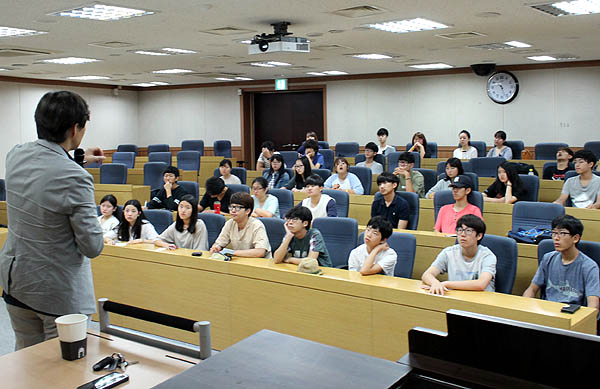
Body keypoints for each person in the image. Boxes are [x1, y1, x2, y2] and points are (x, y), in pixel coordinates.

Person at [0, 90, 104, 350]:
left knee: (25, 364)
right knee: (61, 371)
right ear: (75, 129)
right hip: (56, 292)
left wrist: (79, 157)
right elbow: (92, 246)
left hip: (16, 281)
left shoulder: (15, 155)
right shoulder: (76, 178)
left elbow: (46, 168)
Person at [523, 215, 600, 309]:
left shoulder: (589, 266)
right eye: (554, 233)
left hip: (573, 314)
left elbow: (593, 305)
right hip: (547, 311)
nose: (556, 238)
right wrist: (525, 307)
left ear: (575, 238)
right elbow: (531, 289)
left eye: (562, 233)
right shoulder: (548, 258)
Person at [421, 214, 496, 295]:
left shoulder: (487, 256)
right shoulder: (449, 252)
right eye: (460, 230)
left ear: (479, 236)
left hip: (482, 300)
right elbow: (427, 274)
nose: (463, 234)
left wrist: (445, 284)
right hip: (456, 297)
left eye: (468, 231)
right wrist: (435, 283)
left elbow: (481, 284)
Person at [210, 192, 272, 258]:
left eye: (237, 208)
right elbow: (219, 243)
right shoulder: (230, 223)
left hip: (260, 264)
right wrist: (216, 247)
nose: (233, 210)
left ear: (247, 211)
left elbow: (260, 252)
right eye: (231, 207)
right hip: (240, 261)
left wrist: (232, 252)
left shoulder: (257, 225)